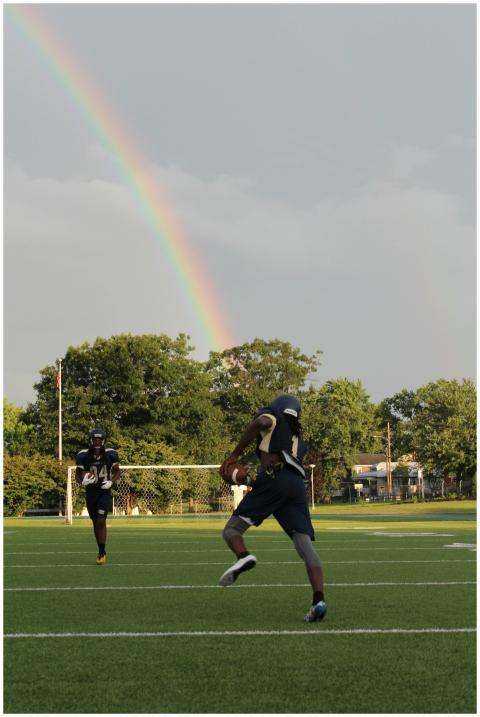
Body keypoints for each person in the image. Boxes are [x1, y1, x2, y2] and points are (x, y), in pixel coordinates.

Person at [218, 394, 327, 623]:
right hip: (296, 487)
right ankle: (319, 600)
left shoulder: (273, 416)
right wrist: (247, 481)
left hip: (275, 479)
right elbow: (282, 471)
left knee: (231, 531)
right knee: (304, 546)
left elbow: (262, 423)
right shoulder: (299, 439)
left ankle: (244, 556)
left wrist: (234, 455)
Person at [75, 428, 120, 565]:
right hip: (91, 492)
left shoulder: (111, 454)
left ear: (103, 440)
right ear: (90, 440)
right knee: (95, 522)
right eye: (95, 439)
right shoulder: (83, 455)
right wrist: (82, 480)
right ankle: (101, 550)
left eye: (99, 439)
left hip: (104, 491)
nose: (97, 442)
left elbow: (118, 472)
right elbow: (77, 475)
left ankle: (102, 552)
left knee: (101, 520)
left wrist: (111, 482)